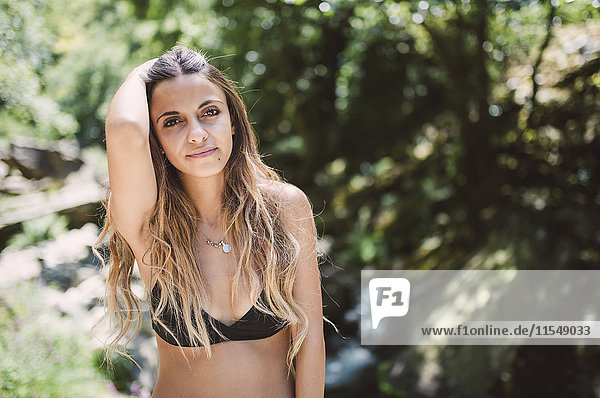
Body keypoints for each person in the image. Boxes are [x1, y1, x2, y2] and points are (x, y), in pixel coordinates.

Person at [94, 45, 326, 397]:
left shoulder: (283, 208)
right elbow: (125, 129)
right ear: (156, 141)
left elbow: (311, 340)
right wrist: (149, 70)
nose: (197, 134)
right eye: (172, 121)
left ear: (233, 121)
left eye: (210, 112)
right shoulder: (151, 228)